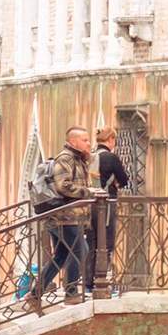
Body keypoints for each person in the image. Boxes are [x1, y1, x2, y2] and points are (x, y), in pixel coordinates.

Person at [29, 127, 95, 311]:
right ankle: (71, 292)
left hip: (68, 216)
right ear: (73, 142)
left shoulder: (78, 159)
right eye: (85, 140)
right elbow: (63, 186)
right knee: (80, 250)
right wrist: (89, 193)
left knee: (61, 255)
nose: (88, 143)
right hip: (64, 216)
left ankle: (35, 294)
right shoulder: (65, 158)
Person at [84, 127, 130, 295]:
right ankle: (101, 281)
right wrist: (116, 183)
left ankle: (88, 283)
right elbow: (124, 180)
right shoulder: (111, 157)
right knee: (106, 242)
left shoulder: (90, 157)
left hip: (89, 204)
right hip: (106, 204)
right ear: (110, 139)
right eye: (114, 141)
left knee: (91, 242)